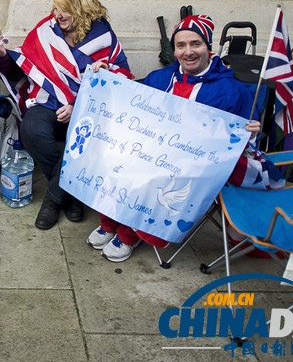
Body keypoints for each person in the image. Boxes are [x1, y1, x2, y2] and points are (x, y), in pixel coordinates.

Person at [87, 14, 264, 262]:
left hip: (192, 166)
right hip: (151, 149)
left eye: (196, 44)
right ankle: (110, 221)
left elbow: (238, 141)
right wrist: (107, 78)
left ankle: (130, 232)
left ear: (208, 47)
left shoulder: (232, 91)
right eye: (181, 45)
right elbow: (130, 103)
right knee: (112, 153)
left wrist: (249, 131)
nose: (188, 52)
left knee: (159, 174)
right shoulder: (160, 78)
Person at [0, 0, 131, 230]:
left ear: (82, 7)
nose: (58, 14)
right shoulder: (45, 32)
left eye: (65, 8)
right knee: (31, 130)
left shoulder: (103, 37)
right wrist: (2, 56)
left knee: (87, 140)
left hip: (88, 109)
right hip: (48, 102)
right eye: (56, 7)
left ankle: (54, 199)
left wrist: (77, 103)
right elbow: (22, 68)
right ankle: (72, 192)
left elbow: (122, 77)